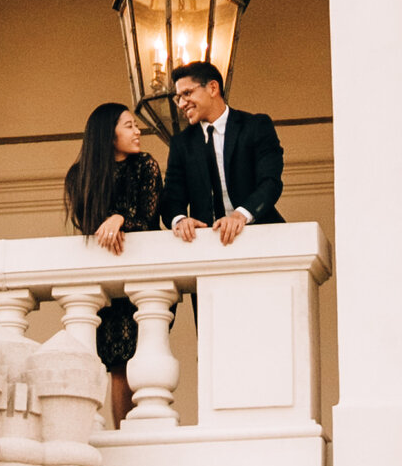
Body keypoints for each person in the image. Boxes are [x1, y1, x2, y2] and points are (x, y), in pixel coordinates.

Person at [62, 99, 168, 425]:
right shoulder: (80, 175)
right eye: (129, 125)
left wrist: (121, 217)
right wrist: (110, 222)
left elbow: (149, 217)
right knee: (117, 363)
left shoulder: (146, 166)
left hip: (143, 274)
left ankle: (140, 430)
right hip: (108, 278)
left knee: (141, 354)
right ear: (109, 135)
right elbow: (91, 225)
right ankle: (124, 430)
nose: (138, 131)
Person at [162, 61, 283, 242]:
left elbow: (270, 182)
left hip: (261, 237)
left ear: (212, 88)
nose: (181, 104)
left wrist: (240, 216)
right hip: (206, 243)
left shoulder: (256, 126)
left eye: (187, 93)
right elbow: (172, 196)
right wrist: (181, 219)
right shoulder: (181, 143)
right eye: (178, 97)